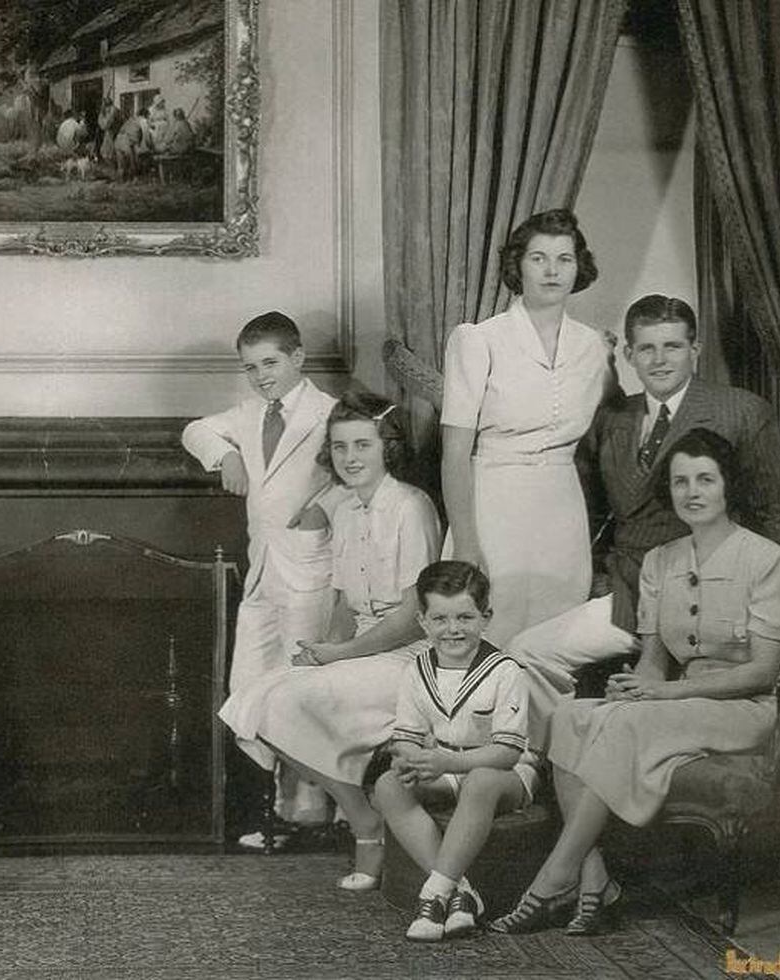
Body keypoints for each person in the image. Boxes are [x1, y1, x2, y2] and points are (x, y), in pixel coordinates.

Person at [491, 430, 780, 935]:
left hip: (745, 709)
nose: (691, 492)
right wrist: (635, 688)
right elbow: (653, 663)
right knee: (567, 716)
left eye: (705, 479)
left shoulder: (768, 560)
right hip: (675, 705)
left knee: (627, 728)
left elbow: (763, 672)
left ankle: (552, 879)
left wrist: (661, 694)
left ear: (728, 487)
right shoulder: (660, 561)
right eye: (680, 482)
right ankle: (596, 882)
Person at [506, 294, 780, 747]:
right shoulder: (612, 418)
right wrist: (602, 578)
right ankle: (556, 760)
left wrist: (776, 620)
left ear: (696, 349)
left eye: (673, 346)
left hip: (720, 601)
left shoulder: (741, 411)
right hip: (630, 593)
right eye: (646, 349)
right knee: (526, 652)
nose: (660, 359)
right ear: (628, 355)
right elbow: (589, 512)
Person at [218, 392, 440, 888]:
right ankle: (362, 814)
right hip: (363, 650)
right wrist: (321, 653)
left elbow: (413, 617)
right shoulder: (346, 510)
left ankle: (365, 827)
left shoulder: (411, 506)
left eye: (363, 445)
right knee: (247, 704)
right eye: (340, 448)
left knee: (284, 700)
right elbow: (343, 606)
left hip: (410, 657)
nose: (350, 458)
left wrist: (340, 655)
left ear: (389, 449)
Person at [183, 311, 350, 836]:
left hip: (310, 569)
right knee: (247, 687)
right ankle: (268, 810)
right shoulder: (251, 413)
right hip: (261, 573)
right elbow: (195, 429)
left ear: (298, 357)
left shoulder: (331, 413)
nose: (261, 375)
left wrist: (326, 507)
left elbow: (361, 472)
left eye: (270, 363)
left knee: (299, 687)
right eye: (250, 367)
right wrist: (225, 456)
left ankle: (311, 812)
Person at [440, 208, 611, 647]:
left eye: (564, 259)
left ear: (579, 267)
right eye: (538, 258)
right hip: (494, 505)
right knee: (489, 633)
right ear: (517, 265)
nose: (552, 270)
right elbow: (455, 453)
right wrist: (464, 542)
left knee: (556, 638)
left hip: (561, 508)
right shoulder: (478, 340)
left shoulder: (593, 348)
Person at [372, 561, 539, 942]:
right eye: (441, 619)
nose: (453, 629)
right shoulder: (417, 669)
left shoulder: (505, 670)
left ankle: (433, 895)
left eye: (465, 617)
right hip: (446, 765)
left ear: (486, 617)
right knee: (387, 785)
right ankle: (461, 891)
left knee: (480, 781)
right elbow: (407, 735)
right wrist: (409, 758)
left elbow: (508, 753)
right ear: (423, 622)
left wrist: (450, 761)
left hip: (504, 774)